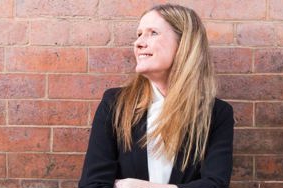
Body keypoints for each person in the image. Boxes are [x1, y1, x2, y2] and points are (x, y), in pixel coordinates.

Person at [79, 4, 234, 188]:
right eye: (139, 34)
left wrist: (130, 186)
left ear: (184, 43)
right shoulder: (115, 104)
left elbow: (215, 184)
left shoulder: (216, 113)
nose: (139, 43)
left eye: (153, 33)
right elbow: (91, 184)